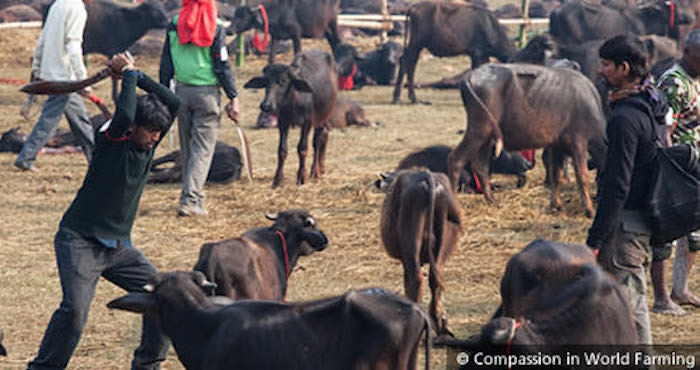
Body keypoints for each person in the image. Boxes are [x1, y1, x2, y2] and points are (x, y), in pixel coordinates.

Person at [27, 53, 181, 370]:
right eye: (149, 130)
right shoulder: (111, 139)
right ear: (134, 127)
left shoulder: (146, 145)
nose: (155, 138)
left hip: (119, 248)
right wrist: (127, 77)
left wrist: (135, 72)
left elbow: (173, 103)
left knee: (163, 295)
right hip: (79, 241)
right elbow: (124, 112)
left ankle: (148, 364)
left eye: (158, 132)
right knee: (74, 313)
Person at [586, 34, 669, 345]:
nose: (599, 69)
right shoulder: (652, 102)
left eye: (606, 64)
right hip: (643, 216)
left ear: (624, 68)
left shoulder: (624, 118)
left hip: (626, 224)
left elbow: (617, 184)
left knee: (629, 306)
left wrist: (596, 237)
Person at [159, 0, 239, 217]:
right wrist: (233, 96)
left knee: (187, 149)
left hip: (181, 93)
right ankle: (190, 200)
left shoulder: (175, 23)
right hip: (207, 95)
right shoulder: (215, 25)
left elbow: (165, 63)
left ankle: (194, 194)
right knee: (202, 151)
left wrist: (164, 94)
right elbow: (222, 65)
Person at [651, 28, 700, 316]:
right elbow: (664, 130)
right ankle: (661, 299)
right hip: (678, 169)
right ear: (688, 51)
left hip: (694, 167)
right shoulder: (674, 83)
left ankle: (680, 289)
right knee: (666, 233)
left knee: (694, 233)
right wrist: (668, 172)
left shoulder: (695, 81)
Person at [15, 0, 95, 172]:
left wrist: (36, 67)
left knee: (80, 121)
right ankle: (26, 157)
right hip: (65, 78)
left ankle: (96, 159)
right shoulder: (77, 8)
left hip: (54, 74)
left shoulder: (58, 4)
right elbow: (73, 46)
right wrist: (83, 80)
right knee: (50, 120)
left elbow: (43, 39)